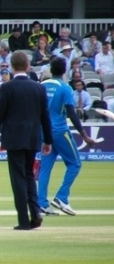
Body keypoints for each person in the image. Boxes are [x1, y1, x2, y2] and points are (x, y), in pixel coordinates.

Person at [0, 51, 53, 231]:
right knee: (30, 175)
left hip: (14, 138)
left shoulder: (7, 88)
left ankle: (24, 220)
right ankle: (36, 213)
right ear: (27, 66)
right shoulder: (38, 87)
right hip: (32, 137)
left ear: (12, 66)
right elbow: (45, 116)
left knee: (18, 178)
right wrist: (47, 139)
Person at [38, 58, 96, 216]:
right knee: (75, 164)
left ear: (51, 69)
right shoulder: (65, 88)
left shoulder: (41, 86)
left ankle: (41, 204)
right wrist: (85, 136)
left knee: (45, 167)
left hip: (43, 131)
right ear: (64, 71)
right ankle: (62, 198)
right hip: (59, 131)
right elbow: (71, 113)